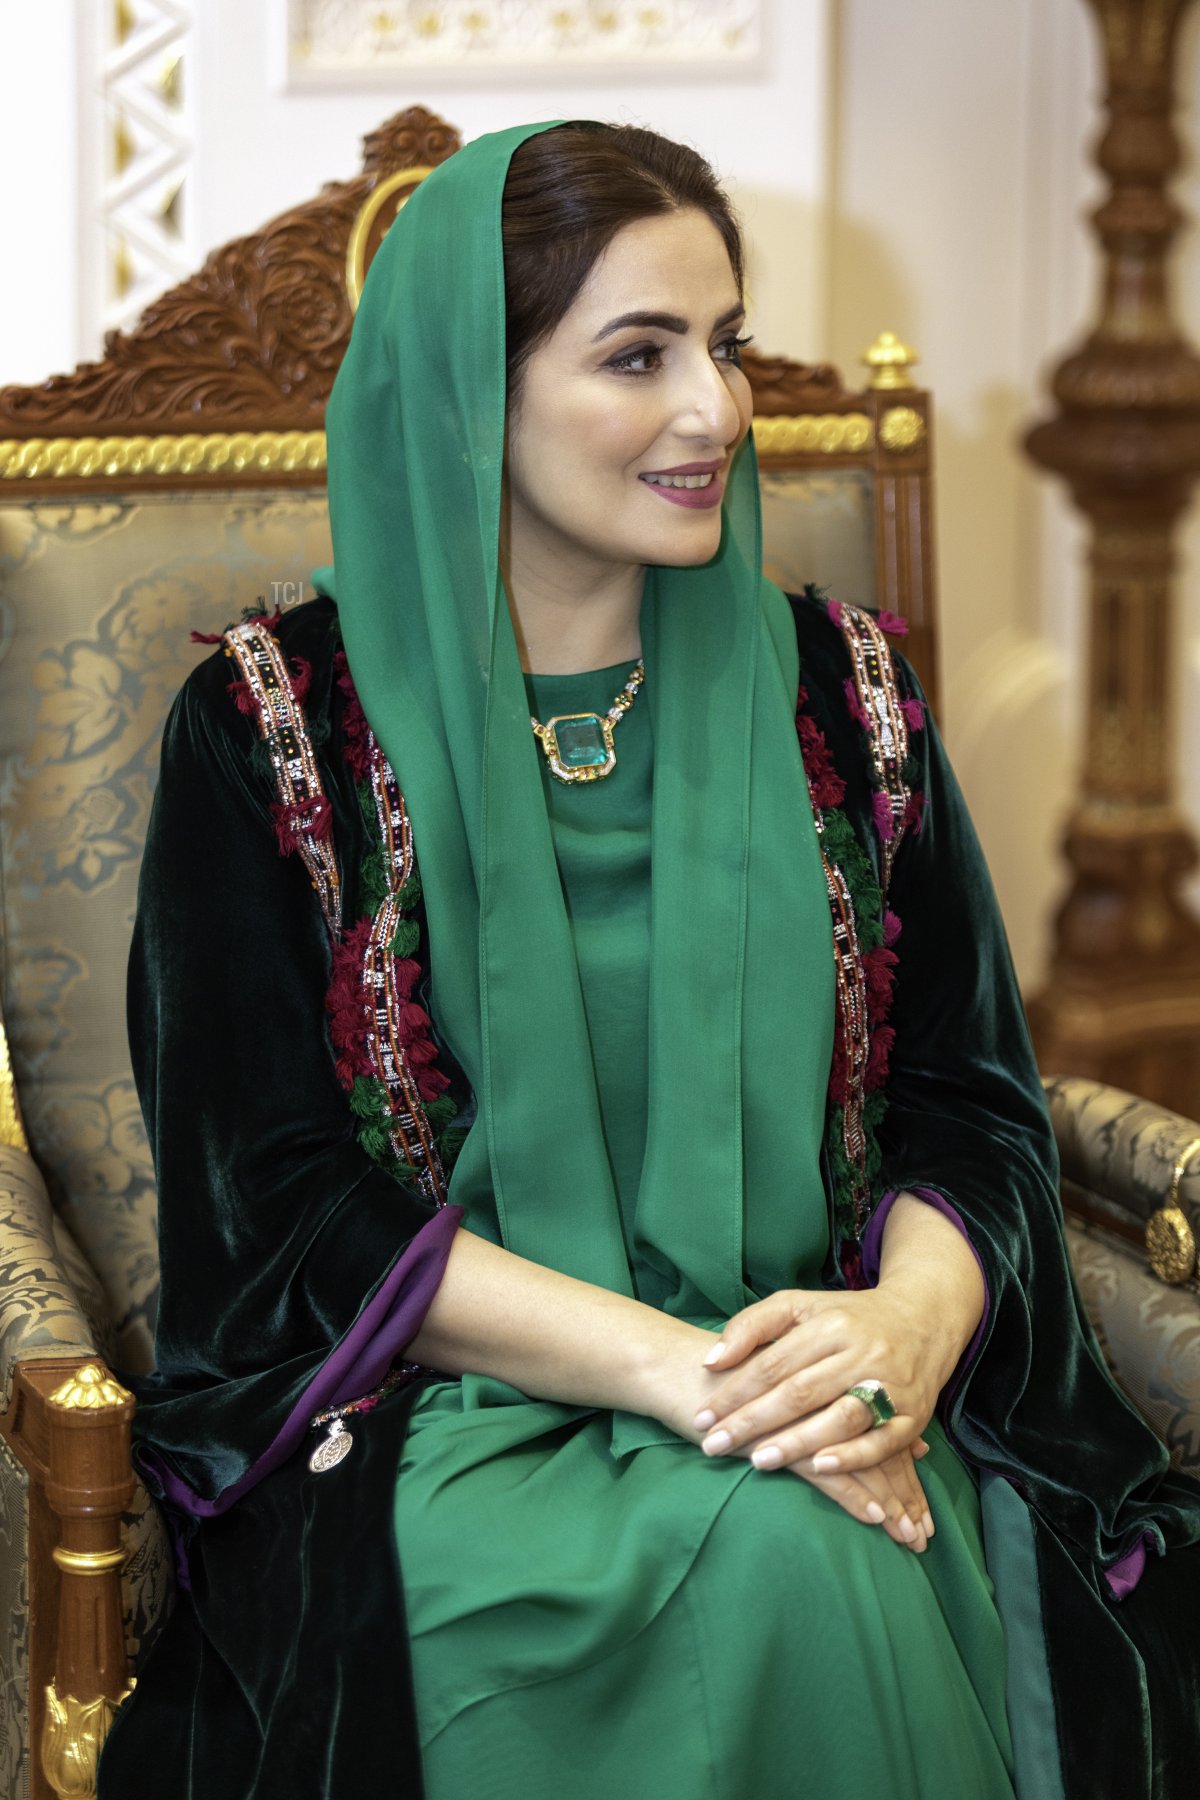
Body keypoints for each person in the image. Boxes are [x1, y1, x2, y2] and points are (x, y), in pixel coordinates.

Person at [98, 121, 1200, 1800]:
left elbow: (970, 1105)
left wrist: (900, 1333)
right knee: (784, 1553)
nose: (717, 410)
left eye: (727, 343)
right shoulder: (269, 734)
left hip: (837, 1382)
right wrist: (693, 1384)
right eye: (640, 355)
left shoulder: (850, 695)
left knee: (816, 1548)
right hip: (436, 1431)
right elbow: (283, 1206)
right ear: (477, 388)